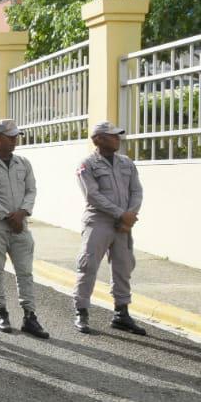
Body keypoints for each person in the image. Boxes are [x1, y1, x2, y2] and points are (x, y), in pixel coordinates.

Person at [0, 120, 48, 338]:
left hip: (20, 225)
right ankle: (1, 312)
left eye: (16, 137)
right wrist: (8, 216)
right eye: (10, 136)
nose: (15, 140)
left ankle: (30, 316)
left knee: (25, 272)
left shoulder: (23, 163)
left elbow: (31, 190)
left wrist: (22, 213)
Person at [73, 121, 146, 335]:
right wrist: (121, 214)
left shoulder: (127, 163)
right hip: (99, 221)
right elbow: (92, 195)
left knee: (124, 266)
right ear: (98, 139)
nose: (117, 139)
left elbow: (137, 191)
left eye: (117, 136)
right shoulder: (87, 164)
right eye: (112, 136)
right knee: (88, 265)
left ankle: (121, 313)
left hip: (123, 224)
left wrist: (130, 215)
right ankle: (81, 310)